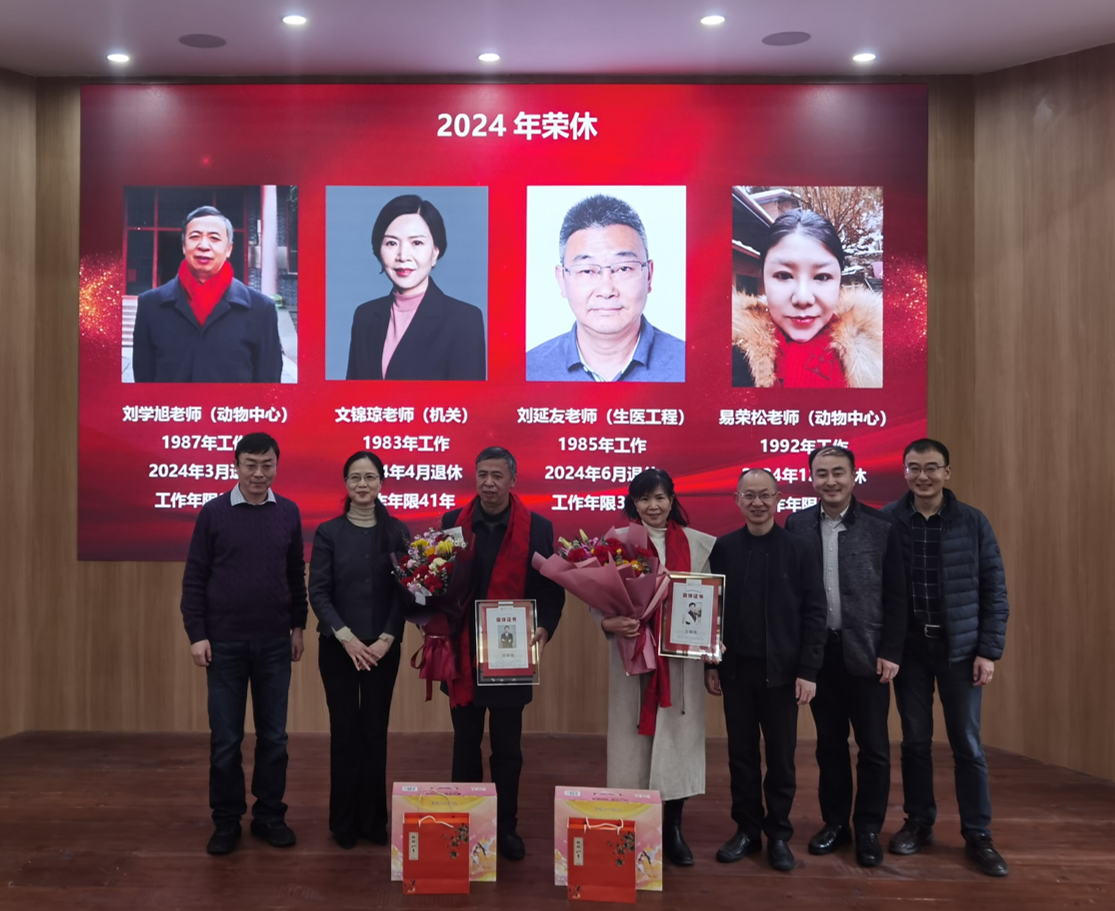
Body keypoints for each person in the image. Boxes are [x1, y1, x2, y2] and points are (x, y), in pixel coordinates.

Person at [882, 439, 1010, 877]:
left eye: (932, 468)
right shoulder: (888, 521)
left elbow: (994, 590)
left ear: (946, 473)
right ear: (904, 472)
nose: (923, 476)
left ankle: (978, 834)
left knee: (967, 745)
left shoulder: (972, 522)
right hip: (911, 653)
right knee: (915, 741)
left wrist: (988, 651)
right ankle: (919, 822)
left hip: (961, 651)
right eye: (914, 468)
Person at [180, 432, 307, 855]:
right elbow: (195, 578)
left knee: (274, 738)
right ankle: (226, 820)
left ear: (276, 466)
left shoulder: (288, 512)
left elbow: (295, 575)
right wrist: (197, 634)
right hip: (224, 645)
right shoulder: (213, 513)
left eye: (267, 465)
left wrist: (298, 626)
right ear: (236, 466)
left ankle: (269, 816)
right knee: (226, 739)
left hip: (275, 643)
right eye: (250, 464)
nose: (258, 473)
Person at [439, 447, 564, 860]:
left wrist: (544, 626)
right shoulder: (452, 523)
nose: (488, 483)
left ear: (512, 479)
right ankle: (465, 824)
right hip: (463, 655)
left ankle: (505, 826)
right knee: (465, 744)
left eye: (496, 475)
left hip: (511, 654)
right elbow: (439, 583)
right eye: (482, 475)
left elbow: (550, 588)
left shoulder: (538, 528)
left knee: (507, 749)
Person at [784, 445, 906, 866]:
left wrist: (891, 650)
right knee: (829, 745)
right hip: (820, 655)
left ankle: (868, 828)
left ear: (854, 476)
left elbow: (896, 595)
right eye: (822, 474)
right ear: (812, 479)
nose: (830, 481)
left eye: (838, 472)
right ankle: (835, 822)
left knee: (874, 747)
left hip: (868, 654)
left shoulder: (882, 525)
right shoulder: (797, 525)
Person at [706, 469, 828, 872]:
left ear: (778, 499)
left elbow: (815, 613)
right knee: (740, 756)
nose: (757, 503)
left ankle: (778, 834)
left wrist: (809, 669)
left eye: (765, 495)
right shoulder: (722, 549)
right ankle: (746, 830)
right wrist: (711, 663)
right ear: (737, 500)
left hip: (784, 675)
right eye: (749, 496)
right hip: (736, 672)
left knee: (781, 758)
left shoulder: (799, 549)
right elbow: (710, 610)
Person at [594, 469, 714, 867]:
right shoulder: (617, 542)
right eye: (645, 498)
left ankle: (673, 828)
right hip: (634, 659)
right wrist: (608, 623)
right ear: (634, 503)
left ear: (672, 499)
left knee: (677, 744)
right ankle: (632, 826)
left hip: (680, 664)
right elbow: (598, 599)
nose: (653, 506)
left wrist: (711, 641)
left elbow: (710, 603)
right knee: (632, 745)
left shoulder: (697, 544)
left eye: (660, 497)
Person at [308, 450, 411, 849]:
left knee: (374, 731)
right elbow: (319, 591)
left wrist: (387, 638)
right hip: (339, 648)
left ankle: (373, 820)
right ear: (346, 483)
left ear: (381, 482)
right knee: (344, 732)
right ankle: (344, 822)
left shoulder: (397, 532)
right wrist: (346, 637)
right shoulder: (329, 532)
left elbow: (405, 592)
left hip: (383, 648)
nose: (362, 484)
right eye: (355, 477)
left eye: (370, 477)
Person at [526, 194, 685, 382]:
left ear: (649, 275)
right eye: (587, 271)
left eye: (623, 268)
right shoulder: (529, 369)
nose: (606, 291)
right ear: (562, 280)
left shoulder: (691, 365)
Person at [732, 209, 882, 388]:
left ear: (839, 281)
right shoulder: (729, 356)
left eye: (822, 277)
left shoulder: (881, 356)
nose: (803, 298)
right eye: (784, 276)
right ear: (763, 277)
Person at [133, 206, 283, 383]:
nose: (203, 246)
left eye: (214, 238)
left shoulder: (261, 309)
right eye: (195, 237)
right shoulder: (150, 305)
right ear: (184, 246)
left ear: (229, 249)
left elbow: (268, 383)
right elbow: (144, 380)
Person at [346, 194, 486, 380]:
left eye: (417, 243)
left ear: (435, 252)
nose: (403, 256)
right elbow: (352, 394)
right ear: (379, 250)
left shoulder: (465, 321)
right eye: (391, 243)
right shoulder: (364, 316)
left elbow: (468, 399)